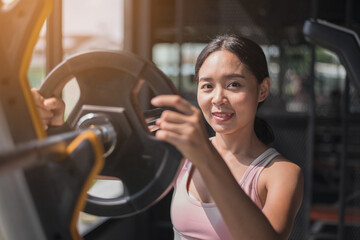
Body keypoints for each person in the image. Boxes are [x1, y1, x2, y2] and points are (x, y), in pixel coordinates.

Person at [32, 34, 303, 240]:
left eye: (234, 84)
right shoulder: (180, 156)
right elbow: (82, 165)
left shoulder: (281, 174)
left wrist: (205, 156)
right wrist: (57, 127)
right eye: (207, 86)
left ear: (263, 90)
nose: (218, 98)